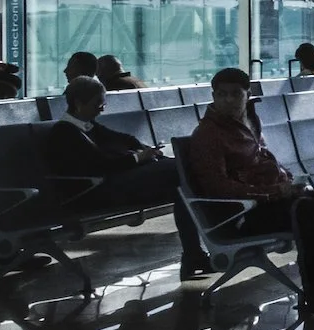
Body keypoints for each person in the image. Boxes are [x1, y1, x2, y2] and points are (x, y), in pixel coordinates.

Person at [180, 69, 314, 300]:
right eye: (221, 94)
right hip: (243, 215)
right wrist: (273, 192)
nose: (228, 100)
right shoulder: (208, 135)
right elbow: (217, 188)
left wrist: (287, 181)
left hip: (272, 201)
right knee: (313, 211)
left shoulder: (249, 121)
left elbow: (264, 159)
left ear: (248, 94)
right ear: (213, 96)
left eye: (235, 94)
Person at [44, 75, 207, 277]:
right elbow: (102, 166)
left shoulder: (87, 125)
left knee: (181, 187)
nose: (102, 108)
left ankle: (194, 253)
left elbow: (124, 139)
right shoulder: (65, 134)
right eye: (98, 104)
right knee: (180, 170)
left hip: (113, 184)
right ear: (78, 103)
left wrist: (141, 149)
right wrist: (139, 158)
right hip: (95, 192)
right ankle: (203, 247)